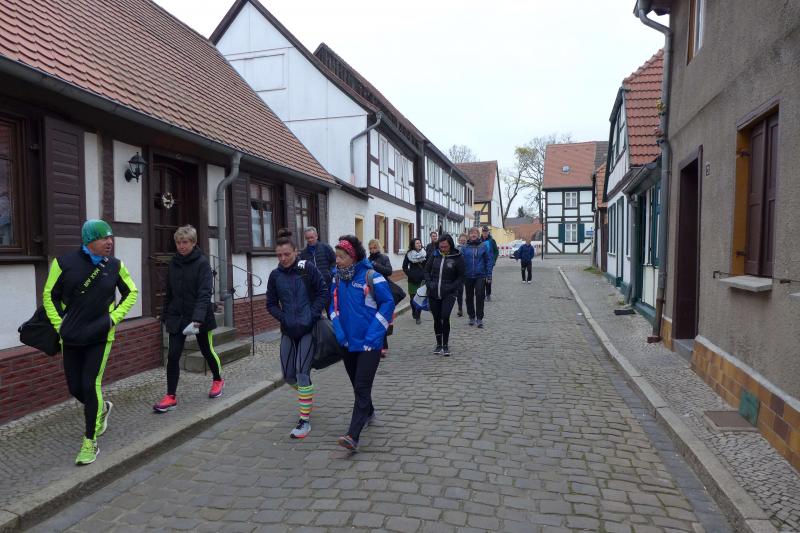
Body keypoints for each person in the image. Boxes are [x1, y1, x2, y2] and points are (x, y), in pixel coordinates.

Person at [42, 219, 138, 465]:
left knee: (90, 384)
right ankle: (102, 408)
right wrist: (59, 325)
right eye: (104, 238)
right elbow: (49, 295)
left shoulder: (115, 266)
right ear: (89, 240)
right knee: (76, 388)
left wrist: (113, 318)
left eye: (110, 237)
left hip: (100, 336)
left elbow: (131, 292)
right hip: (71, 337)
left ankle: (89, 441)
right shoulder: (63, 263)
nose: (110, 242)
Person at [330, 235, 395, 451]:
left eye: (341, 257)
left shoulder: (372, 277)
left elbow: (388, 304)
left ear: (353, 257)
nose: (337, 260)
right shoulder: (337, 278)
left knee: (361, 386)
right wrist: (339, 332)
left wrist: (373, 336)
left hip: (369, 344)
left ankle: (353, 436)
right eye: (336, 256)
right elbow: (332, 307)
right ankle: (369, 411)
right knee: (357, 385)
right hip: (347, 344)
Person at [154, 225, 223, 413]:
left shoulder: (202, 264)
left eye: (185, 242)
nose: (181, 246)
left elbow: (204, 293)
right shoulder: (173, 264)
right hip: (177, 316)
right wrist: (165, 315)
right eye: (178, 242)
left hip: (199, 316)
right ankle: (170, 396)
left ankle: (218, 379)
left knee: (206, 350)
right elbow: (169, 292)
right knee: (173, 355)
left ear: (193, 243)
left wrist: (198, 318)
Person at [266, 229, 327, 439]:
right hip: (288, 330)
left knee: (302, 373)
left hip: (308, 329)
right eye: (279, 255)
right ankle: (306, 395)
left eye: (287, 254)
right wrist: (283, 317)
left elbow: (323, 292)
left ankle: (304, 421)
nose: (283, 258)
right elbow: (270, 304)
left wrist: (311, 314)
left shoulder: (306, 268)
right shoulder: (275, 275)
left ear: (295, 252)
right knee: (288, 376)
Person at [424, 234, 465, 356]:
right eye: (441, 247)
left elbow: (461, 276)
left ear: (450, 245)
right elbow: (426, 270)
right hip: (433, 291)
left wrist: (452, 287)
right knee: (437, 318)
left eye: (445, 247)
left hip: (449, 292)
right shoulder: (434, 255)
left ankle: (445, 345)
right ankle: (438, 344)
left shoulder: (457, 257)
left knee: (445, 316)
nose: (443, 249)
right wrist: (429, 283)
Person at [299, 226, 336, 313]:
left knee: (331, 311)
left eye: (311, 237)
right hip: (313, 289)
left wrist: (330, 273)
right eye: (307, 238)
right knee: (316, 313)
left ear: (316, 236)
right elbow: (301, 270)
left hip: (327, 285)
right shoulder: (303, 254)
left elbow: (335, 261)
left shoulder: (326, 247)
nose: (310, 240)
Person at [462, 226, 492, 328]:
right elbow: (460, 262)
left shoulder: (483, 246)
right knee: (469, 297)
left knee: (480, 296)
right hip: (468, 275)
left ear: (478, 235)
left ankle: (479, 318)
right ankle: (471, 316)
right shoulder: (465, 247)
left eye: (475, 233)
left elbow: (488, 261)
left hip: (480, 275)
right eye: (471, 233)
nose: (473, 235)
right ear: (469, 235)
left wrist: (489, 275)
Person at [367, 239, 393, 357]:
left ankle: (383, 346)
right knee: (374, 319)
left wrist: (376, 265)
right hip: (371, 292)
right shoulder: (367, 259)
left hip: (383, 290)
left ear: (378, 247)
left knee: (382, 318)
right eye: (370, 248)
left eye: (374, 247)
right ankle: (377, 345)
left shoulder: (384, 258)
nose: (372, 250)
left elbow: (389, 271)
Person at [402, 238, 426, 325]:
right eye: (417, 243)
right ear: (413, 245)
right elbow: (404, 267)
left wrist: (425, 275)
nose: (419, 244)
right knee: (412, 299)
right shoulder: (409, 255)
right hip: (412, 280)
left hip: (422, 280)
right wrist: (410, 274)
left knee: (420, 298)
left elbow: (428, 266)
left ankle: (418, 316)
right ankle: (413, 310)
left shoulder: (424, 253)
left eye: (420, 243)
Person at [481, 226, 499, 301]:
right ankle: (481, 294)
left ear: (488, 232)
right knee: (481, 279)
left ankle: (488, 294)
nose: (485, 233)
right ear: (482, 232)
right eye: (484, 231)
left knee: (488, 278)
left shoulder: (492, 241)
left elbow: (496, 251)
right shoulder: (479, 240)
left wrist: (493, 260)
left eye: (486, 231)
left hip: (489, 263)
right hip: (481, 263)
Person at [455, 233, 468, 317]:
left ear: (466, 241)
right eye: (461, 240)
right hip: (459, 274)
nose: (462, 242)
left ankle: (469, 306)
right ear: (458, 241)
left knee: (469, 292)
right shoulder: (455, 249)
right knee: (459, 292)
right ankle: (460, 308)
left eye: (464, 240)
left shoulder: (469, 249)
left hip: (468, 273)